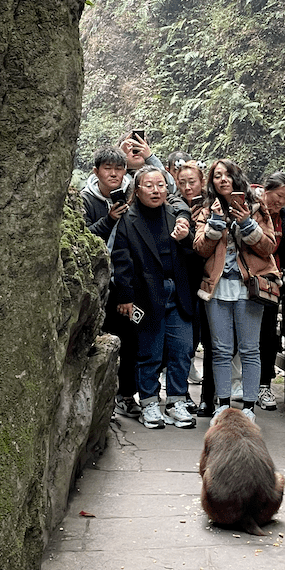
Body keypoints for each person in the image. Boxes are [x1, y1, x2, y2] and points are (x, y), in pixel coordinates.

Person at [194, 159, 279, 422]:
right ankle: (222, 404)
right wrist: (215, 224)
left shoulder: (255, 207)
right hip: (217, 287)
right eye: (217, 175)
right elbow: (200, 249)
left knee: (250, 348)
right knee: (220, 350)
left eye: (228, 175)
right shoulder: (207, 210)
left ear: (236, 178)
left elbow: (268, 247)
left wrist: (247, 224)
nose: (223, 179)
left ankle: (249, 407)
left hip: (249, 287)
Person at [112, 167, 197, 428]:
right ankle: (149, 402)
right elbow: (121, 260)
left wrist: (186, 239)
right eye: (148, 185)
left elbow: (193, 254)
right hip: (146, 293)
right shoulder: (128, 219)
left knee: (182, 349)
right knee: (149, 350)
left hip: (178, 291)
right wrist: (125, 297)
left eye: (160, 185)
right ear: (137, 190)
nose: (156, 190)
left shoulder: (176, 215)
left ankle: (176, 400)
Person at [81, 148, 139, 418]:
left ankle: (126, 396)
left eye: (119, 168)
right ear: (96, 171)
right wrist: (109, 220)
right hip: (95, 283)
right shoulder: (86, 200)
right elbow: (83, 238)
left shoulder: (133, 195)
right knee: (97, 341)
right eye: (107, 168)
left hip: (124, 281)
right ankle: (100, 400)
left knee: (128, 341)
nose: (114, 173)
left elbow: (164, 185)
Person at [174, 159, 215, 417]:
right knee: (186, 342)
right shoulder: (173, 207)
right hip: (183, 282)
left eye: (193, 182)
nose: (188, 187)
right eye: (182, 183)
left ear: (202, 182)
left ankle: (208, 399)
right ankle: (182, 395)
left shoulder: (211, 208)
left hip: (208, 281)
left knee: (210, 341)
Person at [253, 173, 285, 411]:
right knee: (244, 338)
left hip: (270, 284)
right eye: (279, 196)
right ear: (266, 190)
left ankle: (263, 386)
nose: (281, 202)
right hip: (247, 279)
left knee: (268, 337)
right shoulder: (252, 207)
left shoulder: (284, 218)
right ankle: (239, 387)